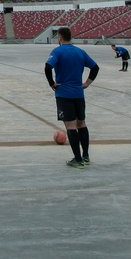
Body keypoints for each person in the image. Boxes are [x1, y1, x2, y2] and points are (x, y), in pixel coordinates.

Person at [45, 27, 99, 168]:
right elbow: (95, 67)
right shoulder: (80, 51)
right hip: (78, 94)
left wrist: (52, 83)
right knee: (82, 123)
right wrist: (86, 83)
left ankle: (77, 159)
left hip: (64, 94)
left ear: (60, 38)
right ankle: (86, 156)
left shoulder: (57, 51)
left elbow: (47, 67)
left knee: (70, 126)